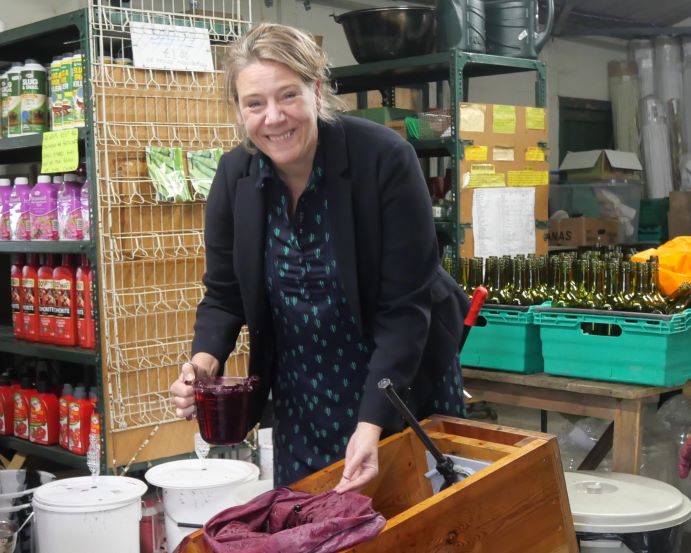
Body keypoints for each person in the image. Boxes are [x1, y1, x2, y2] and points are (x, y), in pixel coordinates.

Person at [170, 22, 470, 492]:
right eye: (255, 103)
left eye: (288, 95)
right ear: (238, 110)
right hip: (303, 392)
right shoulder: (235, 176)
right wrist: (203, 364)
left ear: (315, 89)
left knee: (411, 526)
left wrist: (371, 424)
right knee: (310, 525)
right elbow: (225, 293)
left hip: (402, 382)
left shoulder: (384, 159)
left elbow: (405, 309)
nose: (273, 117)